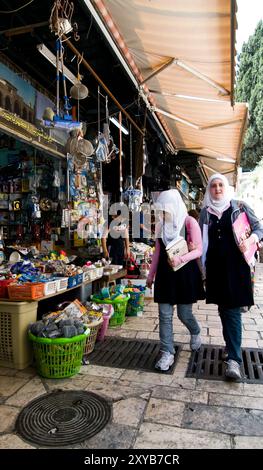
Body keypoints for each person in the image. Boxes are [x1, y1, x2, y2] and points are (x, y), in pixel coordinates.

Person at [199, 173, 263, 381]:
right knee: (224, 309)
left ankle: (234, 360)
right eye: (213, 186)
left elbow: (259, 228)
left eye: (220, 185)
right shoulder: (205, 212)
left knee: (233, 311)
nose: (217, 189)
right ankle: (230, 346)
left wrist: (251, 239)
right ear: (209, 190)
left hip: (237, 268)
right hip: (216, 268)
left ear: (226, 187)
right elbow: (202, 240)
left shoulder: (239, 207)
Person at [146, 189, 205, 371]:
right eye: (161, 211)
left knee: (183, 314)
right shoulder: (161, 226)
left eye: (165, 210)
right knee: (164, 315)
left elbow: (199, 250)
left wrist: (180, 259)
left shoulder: (189, 222)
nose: (162, 214)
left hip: (185, 273)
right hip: (165, 274)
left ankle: (195, 331)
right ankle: (167, 352)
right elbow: (157, 252)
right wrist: (151, 274)